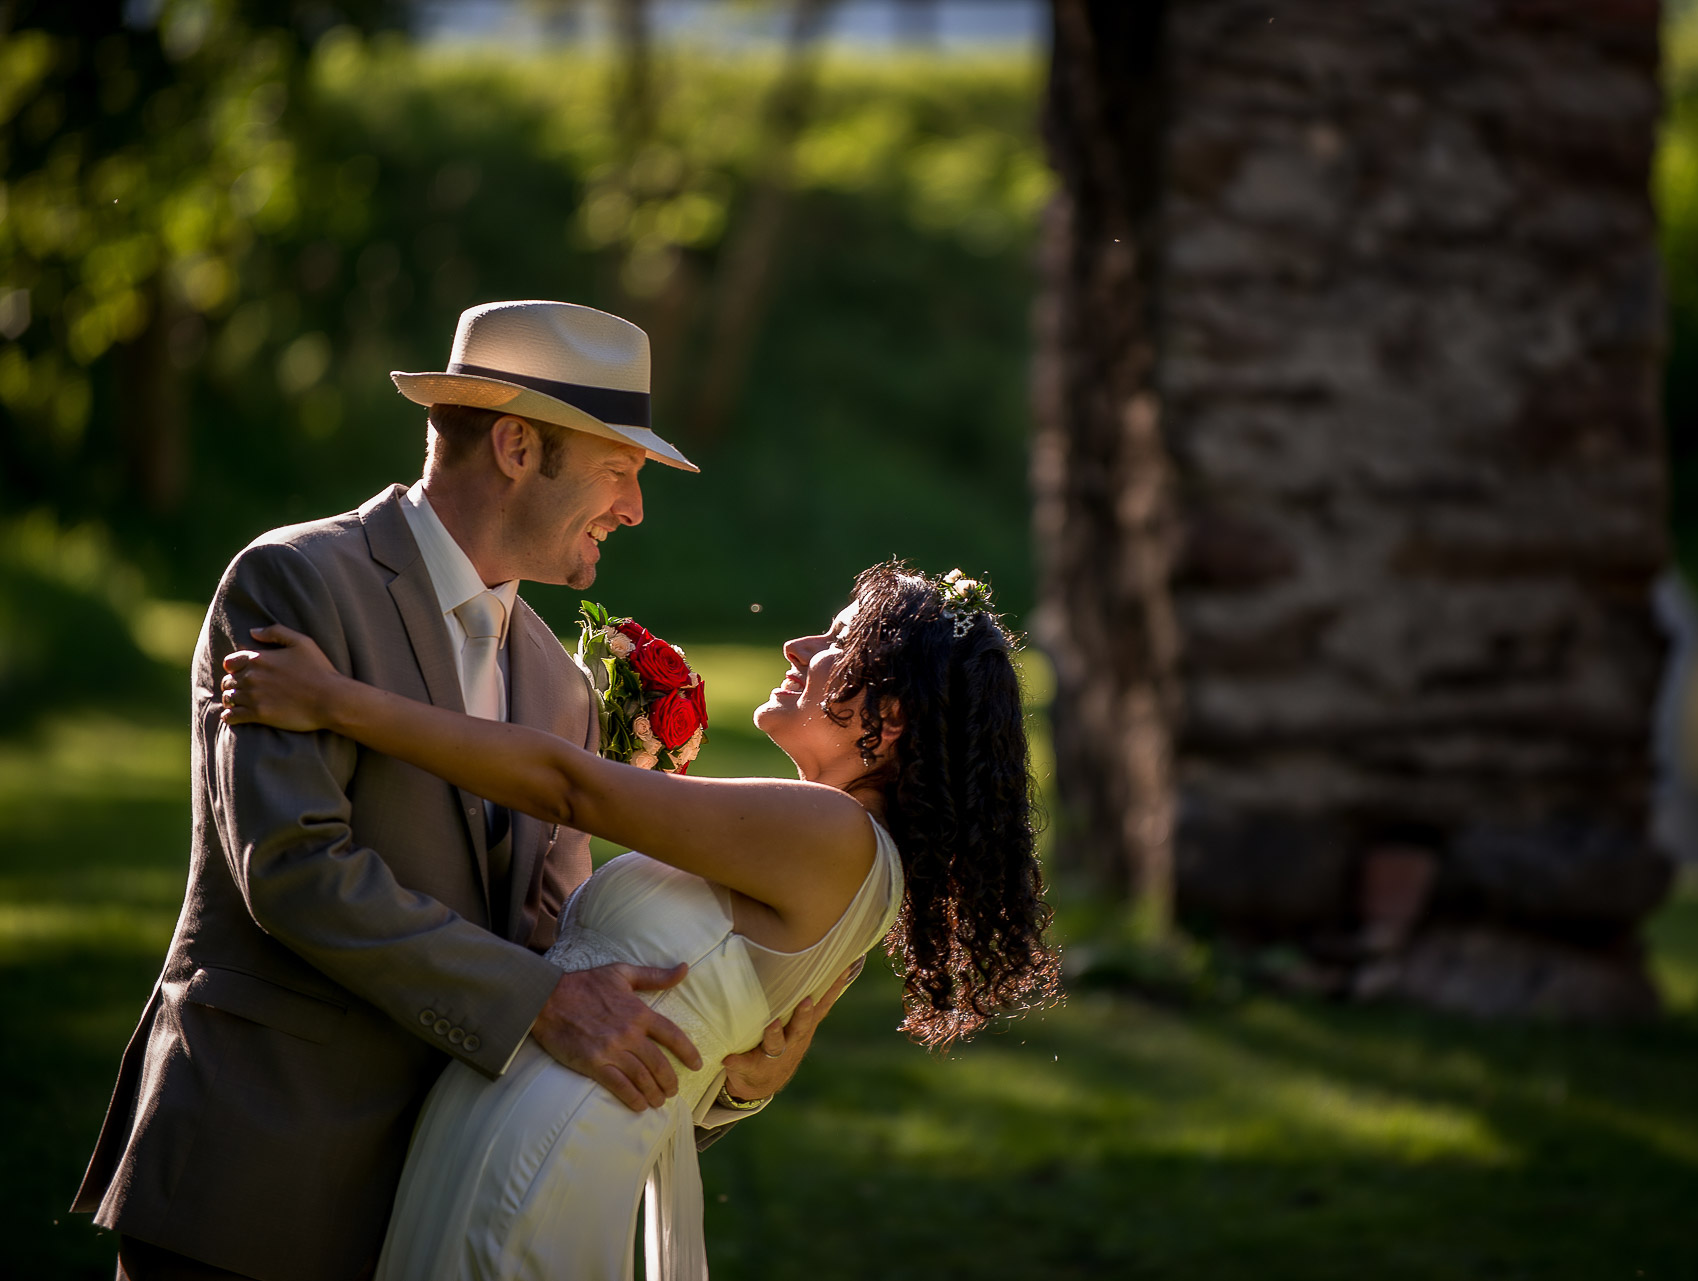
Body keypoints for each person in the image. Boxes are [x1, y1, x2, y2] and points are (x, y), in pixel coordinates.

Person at [72, 300, 824, 1281]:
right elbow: (293, 869)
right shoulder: (297, 583)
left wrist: (726, 1079)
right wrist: (542, 1004)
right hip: (258, 1166)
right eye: (620, 469)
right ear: (517, 446)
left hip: (439, 1204)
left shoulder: (559, 682)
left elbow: (569, 949)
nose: (635, 508)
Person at [217, 563, 1059, 1280]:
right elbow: (723, 1038)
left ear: (896, 710)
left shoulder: (833, 834)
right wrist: (741, 1087)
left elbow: (568, 786)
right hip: (522, 1108)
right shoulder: (841, 848)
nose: (798, 648)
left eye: (838, 641)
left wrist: (334, 701)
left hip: (548, 1143)